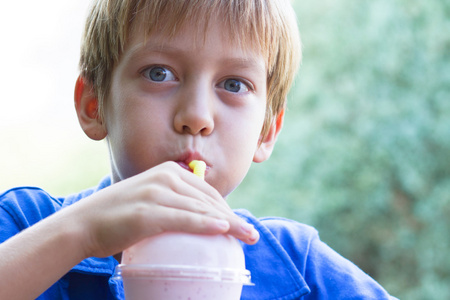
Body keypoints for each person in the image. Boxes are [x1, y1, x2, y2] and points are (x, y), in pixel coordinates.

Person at [0, 0, 397, 299]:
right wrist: (82, 232)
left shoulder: (297, 264)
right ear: (94, 105)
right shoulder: (28, 226)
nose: (197, 116)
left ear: (266, 131)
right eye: (160, 74)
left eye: (234, 84)